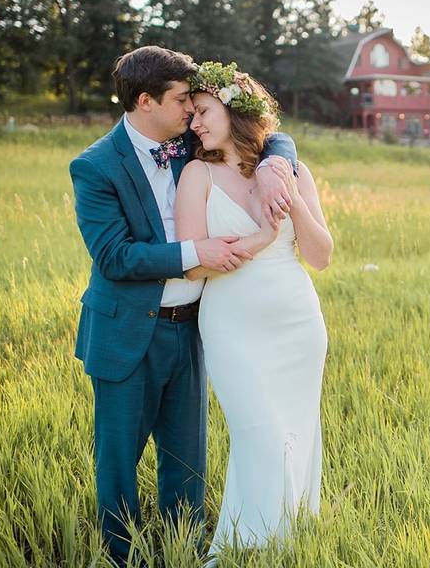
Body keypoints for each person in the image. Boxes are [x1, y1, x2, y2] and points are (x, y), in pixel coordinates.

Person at [68, 46, 299, 566]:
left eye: (197, 107)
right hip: (128, 331)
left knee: (186, 461)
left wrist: (276, 162)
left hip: (194, 327)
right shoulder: (95, 166)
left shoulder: (192, 149)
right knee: (119, 462)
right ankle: (119, 556)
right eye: (181, 102)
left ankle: (186, 551)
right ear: (145, 101)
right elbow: (114, 257)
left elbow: (267, 131)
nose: (192, 114)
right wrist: (198, 253)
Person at [174, 61, 332, 558]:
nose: (194, 123)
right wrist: (262, 236)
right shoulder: (196, 173)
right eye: (192, 114)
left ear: (234, 108)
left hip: (297, 321)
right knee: (259, 432)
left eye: (202, 111)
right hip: (232, 325)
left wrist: (288, 193)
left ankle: (287, 543)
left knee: (295, 431)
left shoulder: (292, 168)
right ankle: (250, 547)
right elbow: (193, 266)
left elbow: (322, 256)